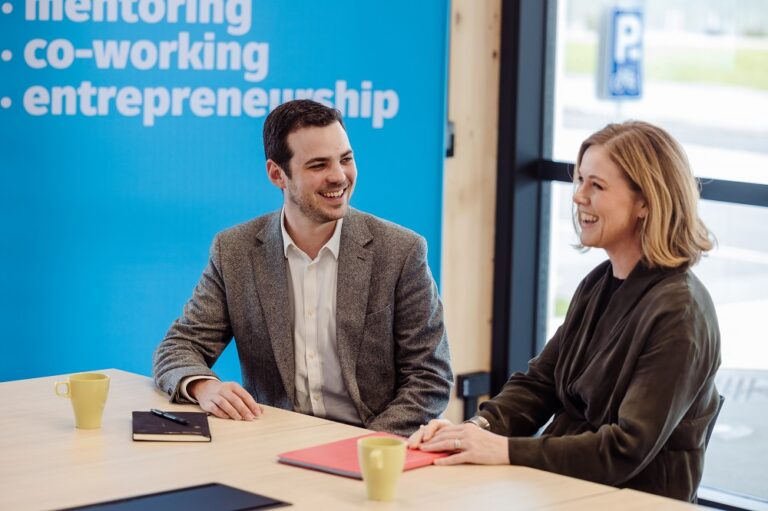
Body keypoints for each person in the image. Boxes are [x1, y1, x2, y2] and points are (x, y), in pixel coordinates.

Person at [408, 121, 721, 502]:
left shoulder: (681, 311)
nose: (578, 197)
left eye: (597, 185)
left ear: (645, 202)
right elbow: (540, 383)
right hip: (565, 488)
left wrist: (504, 451)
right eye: (580, 181)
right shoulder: (600, 282)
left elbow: (627, 449)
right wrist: (473, 431)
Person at [153, 99, 452, 437]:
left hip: (371, 445)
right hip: (273, 445)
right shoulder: (234, 251)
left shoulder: (401, 251)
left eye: (346, 159)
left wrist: (364, 448)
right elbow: (179, 346)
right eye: (318, 165)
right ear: (277, 174)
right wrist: (203, 387)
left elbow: (430, 377)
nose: (339, 176)